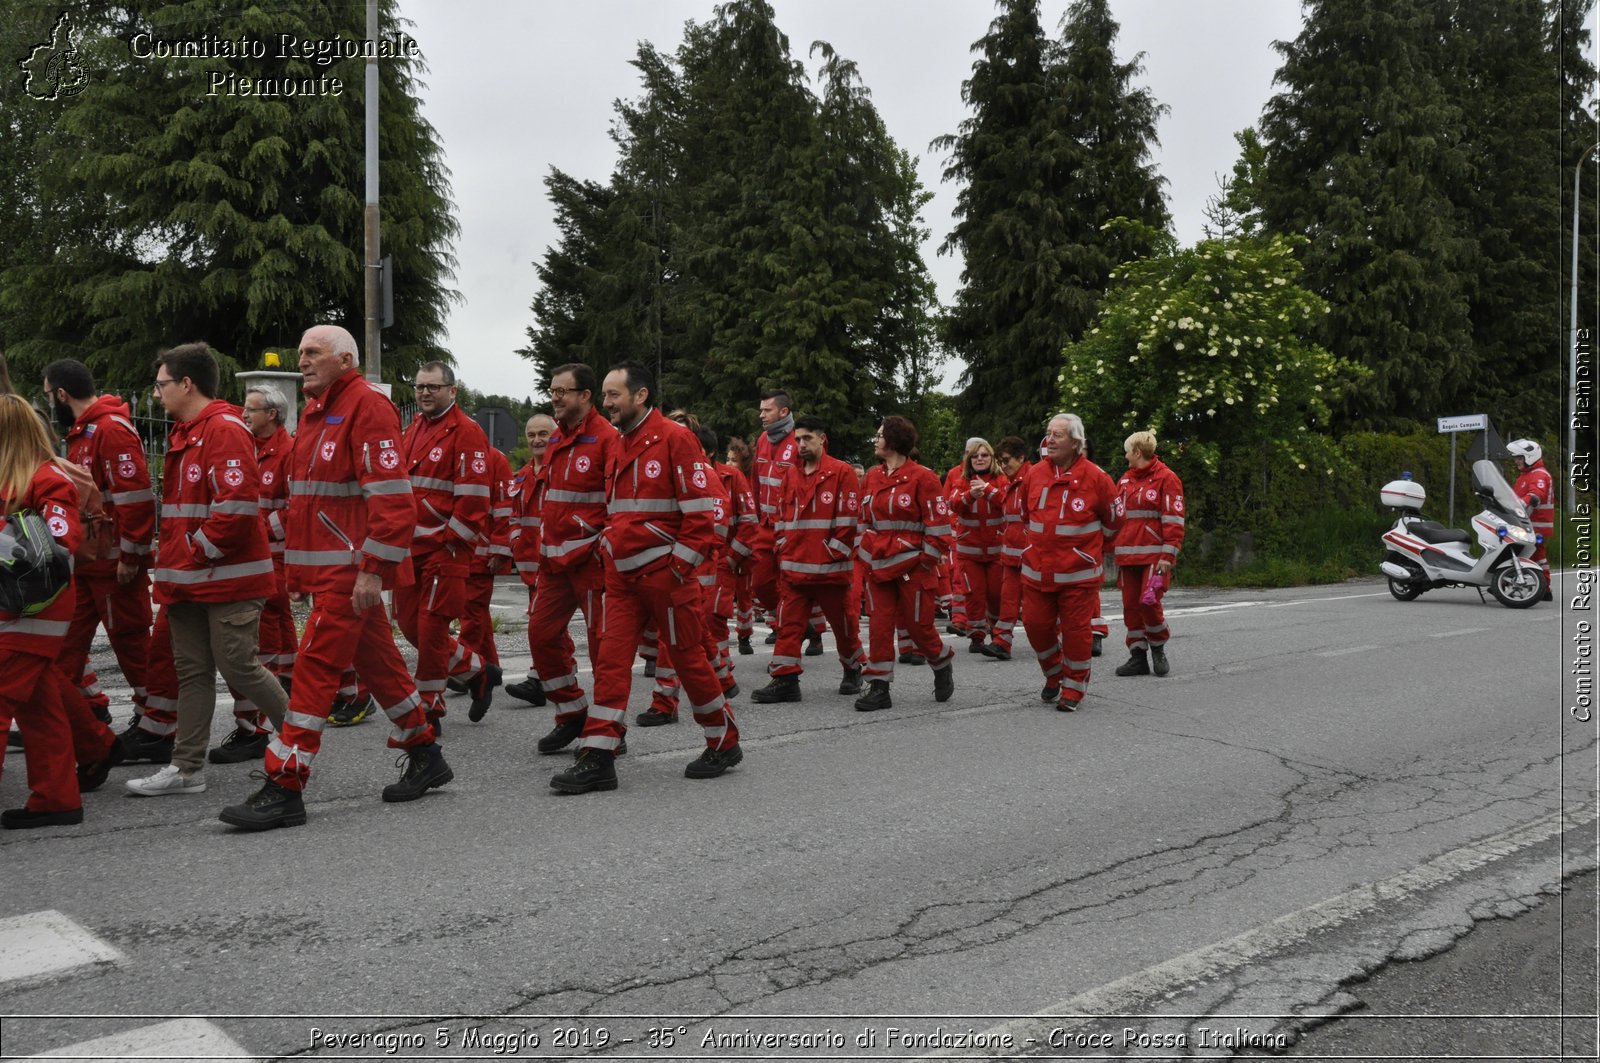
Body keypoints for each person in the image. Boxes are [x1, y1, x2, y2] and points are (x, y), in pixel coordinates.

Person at [217, 324, 451, 830]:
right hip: (329, 572)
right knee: (382, 667)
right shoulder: (319, 410)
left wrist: (372, 570)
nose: (301, 360)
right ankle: (425, 753)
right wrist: (301, 572)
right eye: (300, 352)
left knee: (314, 671)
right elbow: (313, 504)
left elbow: (393, 500)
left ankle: (285, 783)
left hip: (349, 574)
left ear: (345, 360)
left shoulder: (365, 406)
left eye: (313, 353)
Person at [549, 361, 743, 794]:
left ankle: (723, 739)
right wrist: (606, 547)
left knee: (691, 662)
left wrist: (677, 568)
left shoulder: (676, 439)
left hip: (666, 579)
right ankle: (598, 756)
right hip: (620, 578)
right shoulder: (617, 444)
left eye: (614, 394)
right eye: (603, 394)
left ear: (641, 396)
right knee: (611, 663)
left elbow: (701, 516)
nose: (606, 403)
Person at [125, 343, 288, 797]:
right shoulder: (189, 431)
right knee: (192, 672)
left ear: (186, 384)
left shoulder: (222, 429)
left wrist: (194, 551)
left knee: (239, 666)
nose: (156, 394)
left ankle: (298, 741)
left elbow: (235, 508)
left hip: (225, 579)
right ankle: (186, 768)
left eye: (161, 385)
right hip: (191, 580)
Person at [42, 359, 157, 747]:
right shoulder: (86, 431)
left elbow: (137, 499)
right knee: (63, 647)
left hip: (114, 565)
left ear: (61, 394)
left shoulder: (109, 429)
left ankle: (155, 724)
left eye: (48, 394)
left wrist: (132, 555)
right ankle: (80, 717)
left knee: (132, 645)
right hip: (91, 564)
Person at [0, 394, 89, 827]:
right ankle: (57, 797)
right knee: (39, 706)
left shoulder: (46, 477)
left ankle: (59, 795)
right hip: (20, 611)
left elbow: (59, 545)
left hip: (34, 610)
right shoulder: (18, 475)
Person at [394, 362, 498, 730]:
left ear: (452, 391)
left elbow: (474, 498)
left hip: (444, 549)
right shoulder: (412, 430)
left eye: (433, 387)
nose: (424, 393)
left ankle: (429, 706)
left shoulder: (466, 432)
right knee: (408, 625)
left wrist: (452, 542)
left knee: (431, 627)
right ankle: (477, 670)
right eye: (420, 386)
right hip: (411, 548)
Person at [528, 363, 619, 756]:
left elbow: (618, 502)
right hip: (554, 563)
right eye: (552, 390)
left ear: (585, 396)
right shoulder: (555, 440)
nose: (555, 397)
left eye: (563, 391)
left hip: (592, 562)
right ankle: (572, 714)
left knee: (603, 653)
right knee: (541, 636)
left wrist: (601, 545)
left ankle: (608, 733)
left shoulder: (607, 439)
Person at [208, 384, 297, 764]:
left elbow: (298, 507)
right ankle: (265, 711)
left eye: (251, 410)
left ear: (272, 415)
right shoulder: (252, 448)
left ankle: (258, 723)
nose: (244, 416)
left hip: (274, 557)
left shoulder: (288, 453)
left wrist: (261, 528)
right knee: (266, 636)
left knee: (265, 638)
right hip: (258, 558)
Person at [751, 415, 864, 704]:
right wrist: (781, 546)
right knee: (789, 625)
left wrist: (831, 553)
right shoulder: (790, 475)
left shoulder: (842, 472)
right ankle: (785, 679)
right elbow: (780, 516)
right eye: (797, 439)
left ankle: (853, 670)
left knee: (844, 627)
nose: (801, 444)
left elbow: (849, 520)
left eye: (807, 438)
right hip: (794, 569)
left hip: (829, 571)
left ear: (822, 439)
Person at [854, 415, 954, 712]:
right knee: (880, 626)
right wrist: (864, 550)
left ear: (894, 440)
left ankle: (941, 660)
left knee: (919, 627)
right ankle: (879, 686)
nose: (875, 439)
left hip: (914, 567)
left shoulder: (924, 477)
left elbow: (938, 526)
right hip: (879, 564)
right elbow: (863, 520)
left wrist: (926, 561)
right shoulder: (872, 476)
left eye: (880, 435)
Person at [1020, 413, 1118, 712]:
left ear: (1076, 442)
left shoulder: (1097, 479)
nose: (1049, 440)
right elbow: (1027, 516)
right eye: (1048, 433)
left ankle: (1074, 687)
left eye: (1057, 435)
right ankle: (1054, 673)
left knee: (1076, 632)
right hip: (1038, 570)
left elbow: (1114, 521)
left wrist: (1088, 552)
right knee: (1035, 625)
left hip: (1077, 574)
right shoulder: (1035, 474)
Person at [1110, 431, 1185, 678]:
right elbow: (1115, 517)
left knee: (1148, 602)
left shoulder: (1167, 478)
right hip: (1127, 556)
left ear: (1137, 453)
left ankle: (1158, 647)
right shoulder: (1123, 481)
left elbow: (1174, 520)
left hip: (1155, 556)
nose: (1125, 455)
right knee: (1131, 607)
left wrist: (1168, 555)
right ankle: (1138, 657)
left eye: (1127, 451)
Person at [452, 439, 513, 716]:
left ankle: (463, 667)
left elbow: (504, 506)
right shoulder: (454, 454)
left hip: (481, 550)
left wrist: (500, 547)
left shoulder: (495, 459)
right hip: (459, 548)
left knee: (472, 612)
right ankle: (490, 667)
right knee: (476, 613)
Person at [504, 414, 559, 704]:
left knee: (543, 625)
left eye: (543, 434)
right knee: (544, 626)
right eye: (532, 434)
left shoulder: (560, 472)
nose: (537, 440)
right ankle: (556, 676)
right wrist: (514, 540)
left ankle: (540, 679)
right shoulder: (522, 476)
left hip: (553, 564)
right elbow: (513, 514)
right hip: (528, 566)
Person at [950, 439, 1007, 655]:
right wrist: (969, 496)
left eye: (984, 455)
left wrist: (989, 491)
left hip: (996, 552)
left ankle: (998, 633)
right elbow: (952, 504)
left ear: (991, 458)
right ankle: (976, 635)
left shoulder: (1000, 479)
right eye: (975, 456)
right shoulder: (962, 480)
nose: (980, 459)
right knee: (973, 595)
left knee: (996, 595)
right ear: (969, 460)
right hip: (969, 552)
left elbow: (1008, 503)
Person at [986, 436, 1031, 660]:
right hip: (1013, 553)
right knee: (1008, 598)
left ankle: (1059, 640)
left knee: (1036, 604)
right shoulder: (1012, 483)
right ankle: (1002, 641)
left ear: (1021, 458)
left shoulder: (1032, 479)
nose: (1003, 466)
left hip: (1030, 554)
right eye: (1000, 462)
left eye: (1006, 461)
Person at [1506, 439, 1555, 601]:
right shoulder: (1525, 476)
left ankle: (1545, 589)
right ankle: (1507, 582)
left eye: (1520, 458)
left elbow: (1536, 494)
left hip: (1536, 522)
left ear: (1530, 457)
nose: (1517, 461)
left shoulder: (1539, 475)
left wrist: (1523, 502)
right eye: (1516, 458)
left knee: (1536, 555)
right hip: (1525, 521)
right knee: (1520, 553)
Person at [725, 435, 758, 655]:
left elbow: (749, 521)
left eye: (734, 461)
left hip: (744, 549)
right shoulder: (722, 480)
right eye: (727, 459)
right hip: (726, 546)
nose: (729, 464)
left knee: (744, 595)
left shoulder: (747, 484)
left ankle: (744, 636)